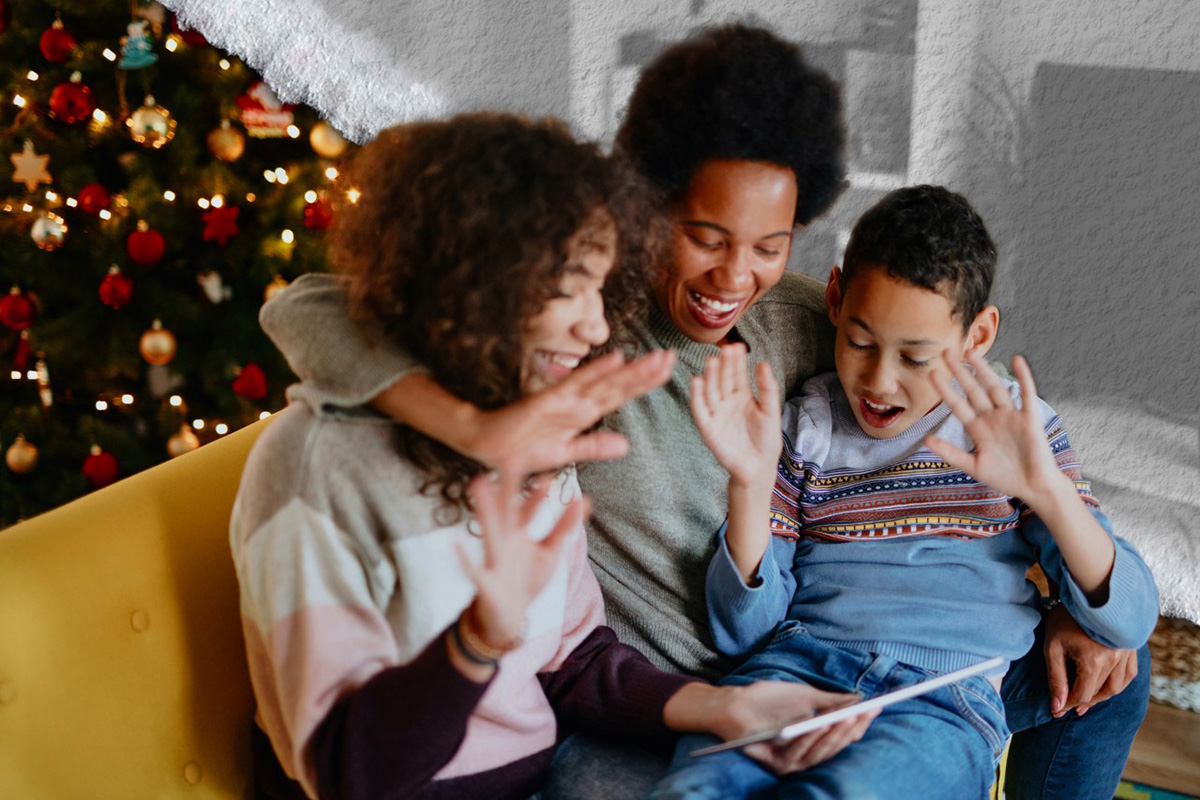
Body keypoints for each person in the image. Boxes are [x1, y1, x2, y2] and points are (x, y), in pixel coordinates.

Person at [259, 24, 1151, 799]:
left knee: (1118, 665)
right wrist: (476, 430)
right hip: (654, 694)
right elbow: (308, 307)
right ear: (644, 206)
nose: (736, 278)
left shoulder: (807, 319)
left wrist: (1076, 582)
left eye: (770, 245)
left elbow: (922, 349)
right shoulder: (572, 325)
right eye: (706, 237)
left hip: (822, 661)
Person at [231, 113, 874, 800]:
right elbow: (348, 776)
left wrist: (727, 710)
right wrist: (476, 642)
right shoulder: (315, 470)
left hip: (548, 773)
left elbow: (572, 660)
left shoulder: (534, 432)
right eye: (569, 288)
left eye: (600, 291)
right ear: (469, 282)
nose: (596, 327)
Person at [647, 185, 1159, 799]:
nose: (879, 382)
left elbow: (1129, 618)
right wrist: (751, 489)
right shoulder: (804, 429)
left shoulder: (1015, 426)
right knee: (693, 787)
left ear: (977, 336)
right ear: (834, 298)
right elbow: (744, 634)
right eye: (860, 343)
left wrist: (1048, 493)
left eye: (916, 358)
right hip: (797, 673)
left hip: (938, 700)